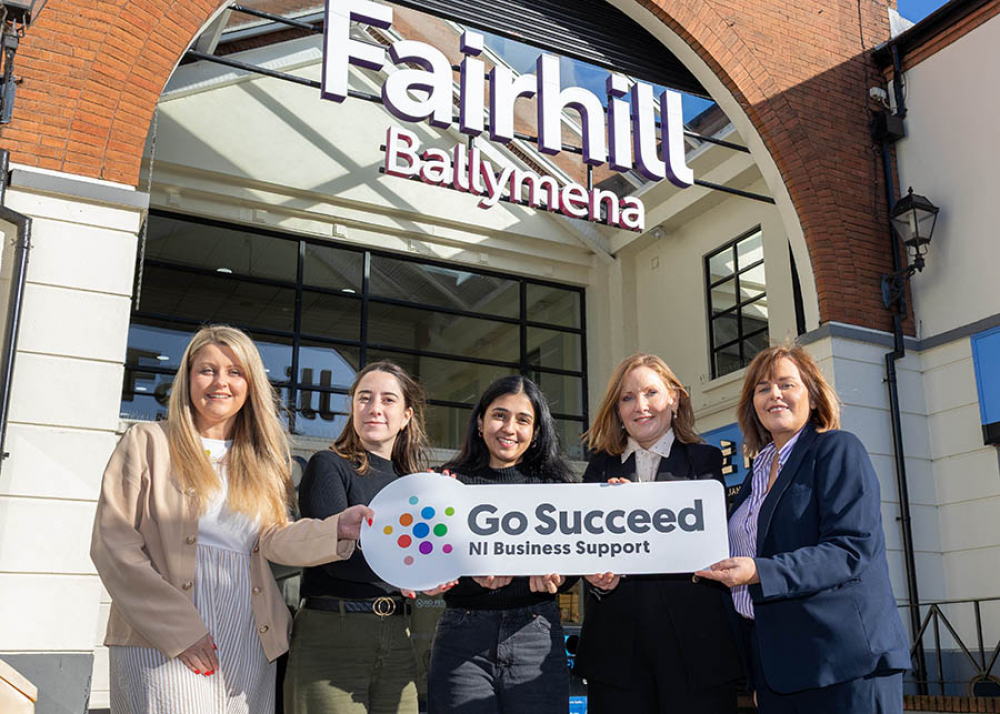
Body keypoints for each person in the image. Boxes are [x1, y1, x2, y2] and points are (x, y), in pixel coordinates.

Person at [91, 325, 371, 714]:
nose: (220, 382)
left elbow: (273, 538)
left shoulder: (264, 460)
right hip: (158, 627)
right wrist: (179, 629)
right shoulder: (147, 441)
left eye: (234, 372)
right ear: (188, 378)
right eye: (207, 370)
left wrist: (335, 529)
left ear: (250, 384)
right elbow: (113, 544)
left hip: (249, 627)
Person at [696, 344, 910, 712]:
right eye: (762, 388)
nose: (774, 394)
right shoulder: (755, 474)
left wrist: (759, 570)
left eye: (786, 384)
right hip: (780, 673)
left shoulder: (837, 449)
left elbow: (850, 549)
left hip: (845, 666)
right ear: (753, 405)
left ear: (812, 396)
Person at [573, 353, 742, 713]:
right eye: (627, 397)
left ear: (674, 399)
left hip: (695, 650)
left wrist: (639, 507)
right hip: (617, 656)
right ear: (617, 409)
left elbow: (708, 544)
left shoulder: (705, 460)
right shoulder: (598, 467)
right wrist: (597, 575)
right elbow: (585, 552)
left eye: (651, 392)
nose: (641, 406)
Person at [284, 361, 430, 714]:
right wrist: (408, 572)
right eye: (364, 398)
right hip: (333, 635)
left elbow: (431, 557)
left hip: (398, 634)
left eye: (388, 400)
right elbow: (336, 558)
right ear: (352, 408)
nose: (375, 408)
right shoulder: (328, 465)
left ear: (407, 415)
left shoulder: (416, 484)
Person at [426, 375, 577, 714]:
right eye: (499, 415)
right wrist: (467, 576)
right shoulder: (446, 484)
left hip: (535, 634)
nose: (509, 428)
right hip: (462, 641)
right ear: (480, 422)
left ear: (536, 432)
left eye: (523, 420)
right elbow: (431, 561)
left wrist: (559, 576)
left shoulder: (557, 486)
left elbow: (574, 559)